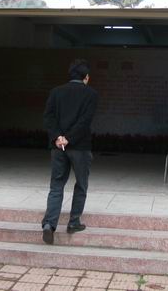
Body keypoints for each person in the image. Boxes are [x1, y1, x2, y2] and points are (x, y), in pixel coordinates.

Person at [41, 59, 98, 245]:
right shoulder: (91, 94)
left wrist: (58, 137)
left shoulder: (56, 92)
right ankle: (73, 222)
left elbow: (48, 117)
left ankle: (49, 224)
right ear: (86, 77)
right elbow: (85, 121)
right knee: (81, 184)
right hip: (80, 147)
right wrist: (69, 138)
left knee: (56, 185)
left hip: (58, 148)